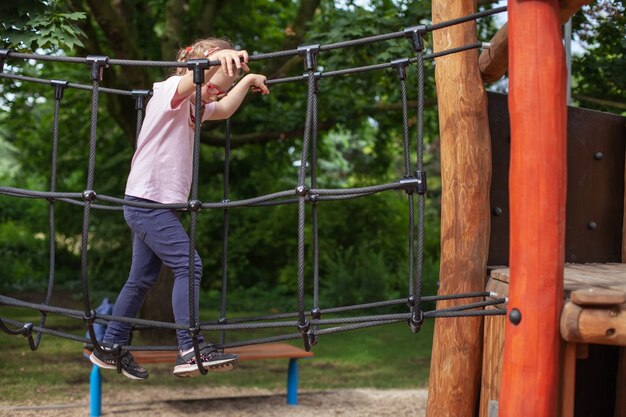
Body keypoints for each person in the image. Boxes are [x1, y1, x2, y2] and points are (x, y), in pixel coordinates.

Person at [89, 38, 269, 379]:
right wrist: (219, 59)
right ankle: (190, 346)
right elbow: (194, 79)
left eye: (224, 85)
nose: (219, 90)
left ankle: (111, 346)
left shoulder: (194, 107)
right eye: (218, 81)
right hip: (147, 202)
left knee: (141, 279)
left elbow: (226, 108)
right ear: (199, 69)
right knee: (190, 265)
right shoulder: (171, 90)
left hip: (154, 204)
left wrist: (244, 80)